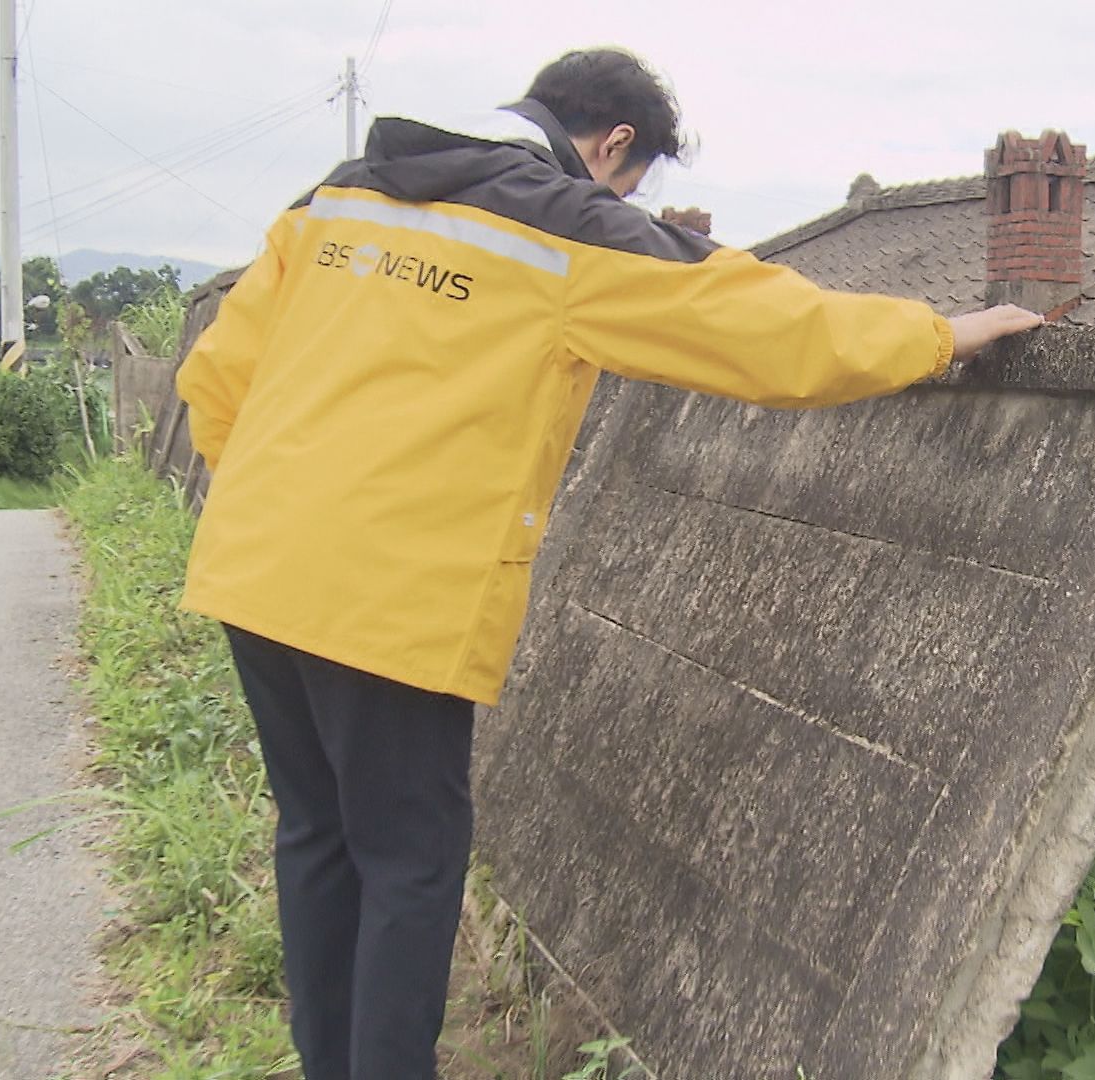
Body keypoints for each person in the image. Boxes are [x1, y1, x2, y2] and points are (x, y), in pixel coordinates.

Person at [174, 47, 1043, 1080]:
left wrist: (288, 513)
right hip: (390, 600)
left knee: (318, 835)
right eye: (630, 185)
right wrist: (939, 334)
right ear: (613, 143)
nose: (625, 201)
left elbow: (218, 376)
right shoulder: (565, 230)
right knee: (410, 862)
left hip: (257, 565)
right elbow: (764, 325)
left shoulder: (336, 203)